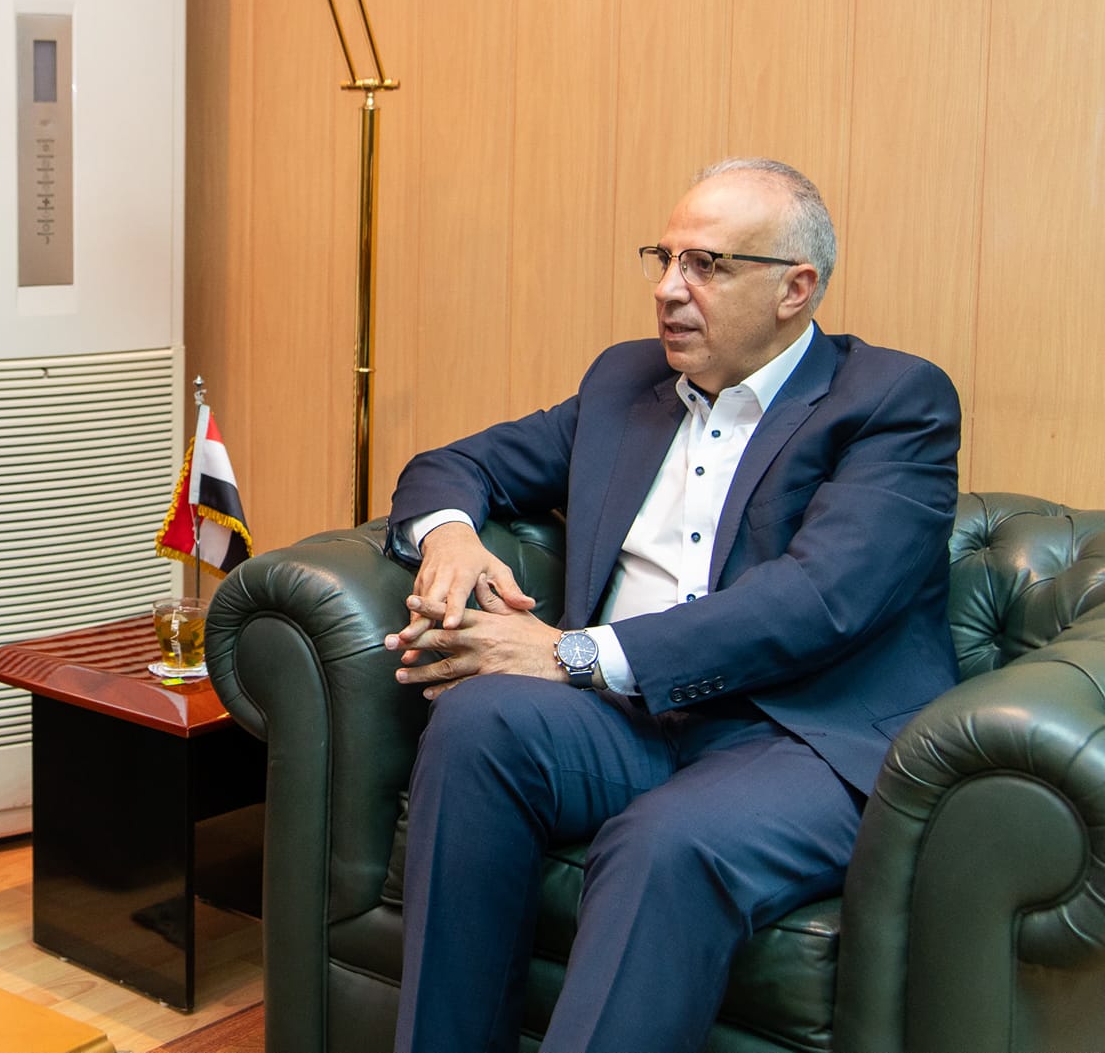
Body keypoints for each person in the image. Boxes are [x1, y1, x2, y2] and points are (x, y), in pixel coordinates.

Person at [380, 158, 960, 1052]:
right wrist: (449, 537)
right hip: (630, 723)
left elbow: (817, 599)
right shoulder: (626, 384)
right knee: (475, 722)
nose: (668, 289)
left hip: (797, 735)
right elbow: (454, 464)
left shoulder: (891, 400)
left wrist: (571, 653)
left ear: (795, 288)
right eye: (665, 258)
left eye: (706, 265)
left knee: (663, 842)